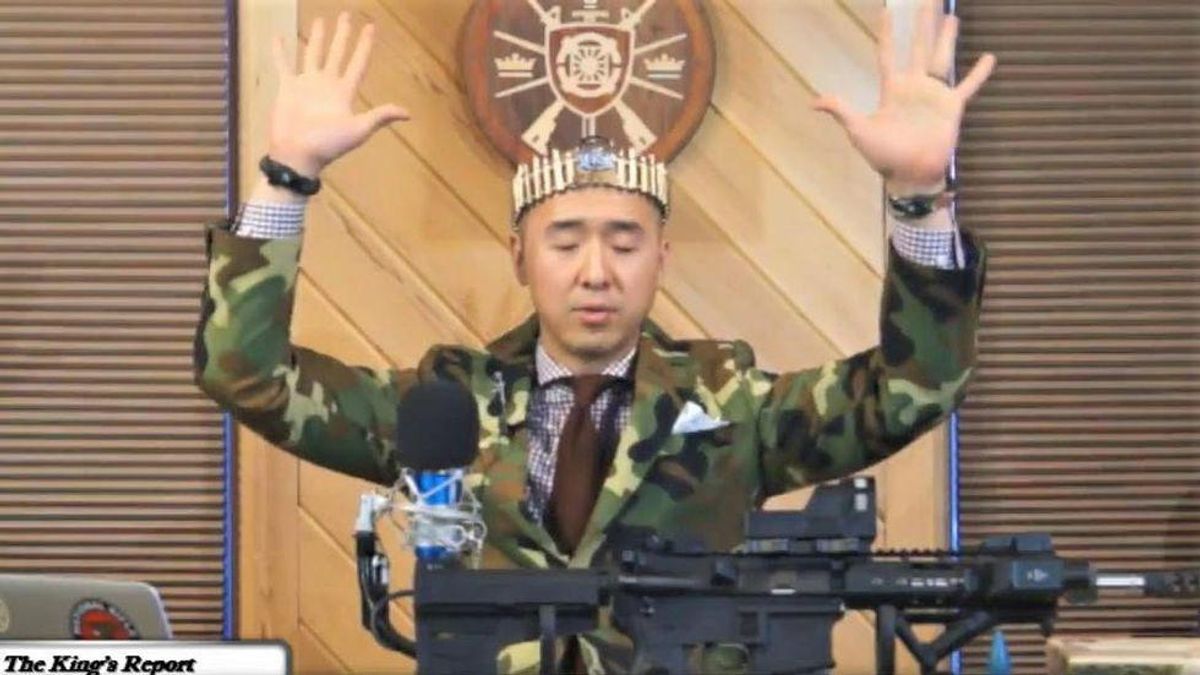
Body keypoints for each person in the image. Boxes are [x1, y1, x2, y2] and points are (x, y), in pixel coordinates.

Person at [194, 2, 995, 672]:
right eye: (566, 240)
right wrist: (286, 177)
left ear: (662, 258)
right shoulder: (447, 406)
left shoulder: (732, 404)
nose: (596, 271)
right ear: (519, 256)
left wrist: (920, 195)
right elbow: (248, 376)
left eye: (624, 241)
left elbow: (910, 389)